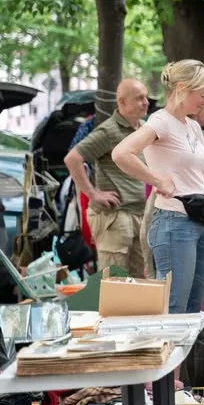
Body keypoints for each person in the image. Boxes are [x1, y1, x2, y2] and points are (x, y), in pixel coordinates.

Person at [113, 60, 204, 314]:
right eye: (203, 94)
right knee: (175, 310)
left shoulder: (193, 127)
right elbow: (121, 153)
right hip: (175, 223)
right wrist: (157, 179)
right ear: (183, 87)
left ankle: (190, 355)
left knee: (193, 312)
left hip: (202, 224)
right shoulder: (160, 121)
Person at [64, 79, 150, 275]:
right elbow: (73, 159)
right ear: (122, 102)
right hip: (116, 215)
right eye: (139, 98)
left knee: (139, 284)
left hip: (140, 213)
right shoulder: (108, 130)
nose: (145, 102)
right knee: (115, 282)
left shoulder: (143, 128)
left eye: (145, 97)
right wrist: (93, 194)